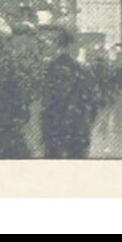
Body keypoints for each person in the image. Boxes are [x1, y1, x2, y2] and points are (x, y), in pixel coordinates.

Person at [40, 29, 92, 159]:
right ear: (70, 46)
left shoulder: (50, 67)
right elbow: (88, 97)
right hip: (74, 124)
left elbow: (44, 96)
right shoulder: (79, 69)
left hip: (54, 123)